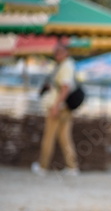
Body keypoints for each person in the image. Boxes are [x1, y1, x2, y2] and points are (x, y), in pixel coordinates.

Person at [32, 43, 80, 176]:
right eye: (56, 52)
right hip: (63, 108)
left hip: (58, 107)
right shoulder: (64, 65)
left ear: (66, 53)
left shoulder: (66, 66)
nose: (56, 54)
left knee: (49, 137)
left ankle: (43, 166)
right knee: (64, 137)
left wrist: (56, 106)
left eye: (59, 52)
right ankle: (72, 167)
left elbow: (65, 88)